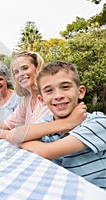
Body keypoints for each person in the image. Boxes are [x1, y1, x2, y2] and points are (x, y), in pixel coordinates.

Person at [19, 61, 106, 189]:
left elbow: (45, 152)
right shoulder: (48, 122)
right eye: (49, 90)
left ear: (80, 92)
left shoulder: (98, 122)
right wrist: (66, 124)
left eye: (65, 87)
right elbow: (14, 135)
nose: (58, 96)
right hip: (59, 189)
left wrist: (21, 141)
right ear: (41, 100)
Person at [0, 51, 52, 138]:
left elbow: (36, 134)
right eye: (16, 72)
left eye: (25, 68)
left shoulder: (49, 96)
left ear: (37, 68)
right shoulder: (27, 99)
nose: (21, 74)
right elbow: (7, 124)